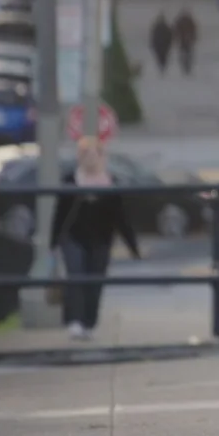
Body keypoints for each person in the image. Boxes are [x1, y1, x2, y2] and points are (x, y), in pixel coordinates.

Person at [51, 136, 143, 341]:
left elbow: (121, 218)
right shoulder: (70, 181)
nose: (90, 159)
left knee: (95, 280)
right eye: (85, 155)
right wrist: (53, 242)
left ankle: (89, 322)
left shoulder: (111, 184)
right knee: (76, 276)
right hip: (73, 237)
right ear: (79, 158)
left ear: (102, 157)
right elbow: (59, 214)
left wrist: (132, 246)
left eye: (94, 154)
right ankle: (74, 321)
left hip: (101, 239)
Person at [174, 7, 199, 75]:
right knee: (187, 55)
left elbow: (176, 31)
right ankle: (187, 67)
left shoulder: (181, 21)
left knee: (185, 55)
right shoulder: (189, 20)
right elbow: (194, 30)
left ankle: (186, 67)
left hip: (184, 41)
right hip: (186, 41)